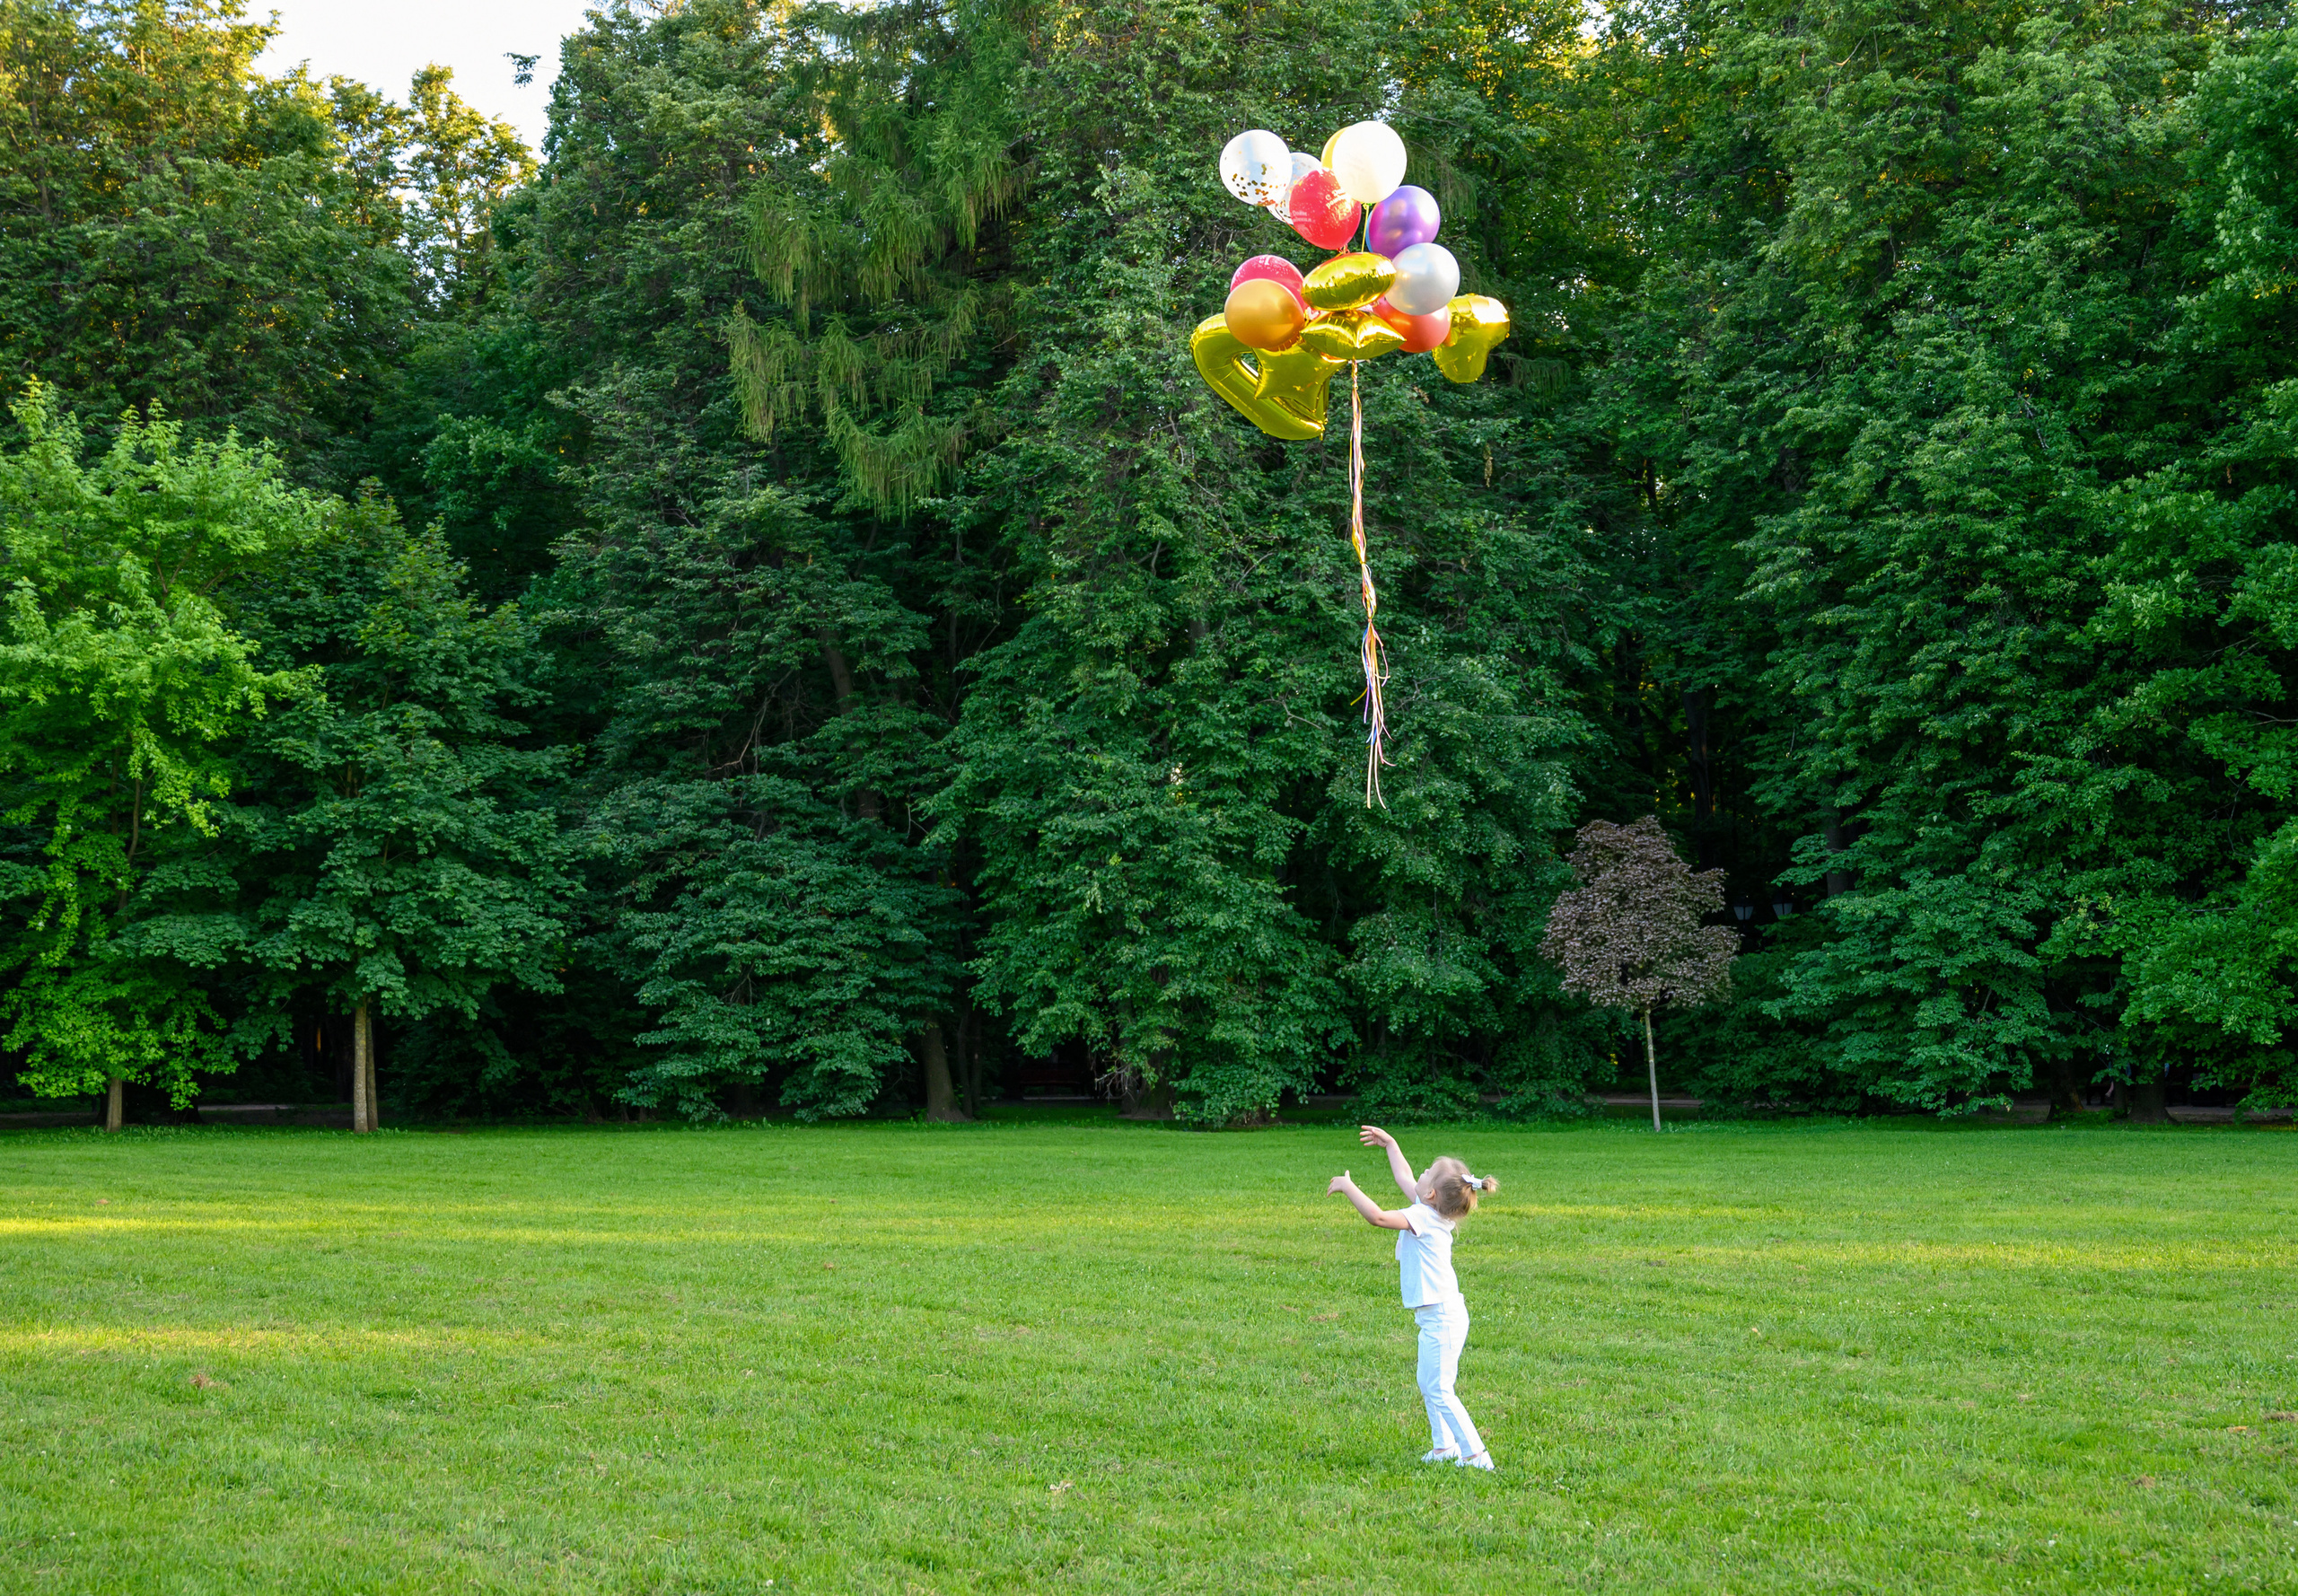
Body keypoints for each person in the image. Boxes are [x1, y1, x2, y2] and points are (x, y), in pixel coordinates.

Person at [1327, 1124, 1498, 1469]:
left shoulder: (1421, 1216)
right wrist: (1391, 1144)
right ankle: (1443, 1449)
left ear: (1432, 1194)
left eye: (1428, 1173)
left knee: (1440, 1389)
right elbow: (1406, 1175)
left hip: (1443, 1318)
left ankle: (1477, 1455)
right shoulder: (1431, 1210)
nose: (1420, 1172)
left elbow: (1377, 1216)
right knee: (1429, 1383)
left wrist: (1348, 1187)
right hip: (1438, 1317)